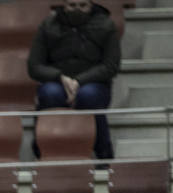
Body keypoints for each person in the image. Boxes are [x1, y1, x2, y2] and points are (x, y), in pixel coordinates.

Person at [27, 0, 121, 161]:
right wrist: (59, 77)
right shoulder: (48, 25)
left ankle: (104, 154)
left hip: (94, 83)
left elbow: (111, 66)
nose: (77, 9)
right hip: (57, 82)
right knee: (50, 94)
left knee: (88, 96)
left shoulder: (106, 25)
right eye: (72, 5)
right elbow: (34, 66)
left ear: (91, 6)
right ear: (64, 5)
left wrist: (78, 81)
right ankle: (44, 150)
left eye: (82, 5)